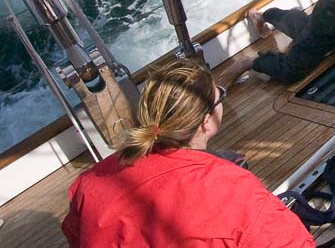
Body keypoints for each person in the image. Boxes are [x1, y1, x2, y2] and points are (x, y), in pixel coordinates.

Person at [61, 59, 314, 248]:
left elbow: (77, 236)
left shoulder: (91, 181)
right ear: (206, 120)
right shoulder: (236, 193)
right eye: (220, 97)